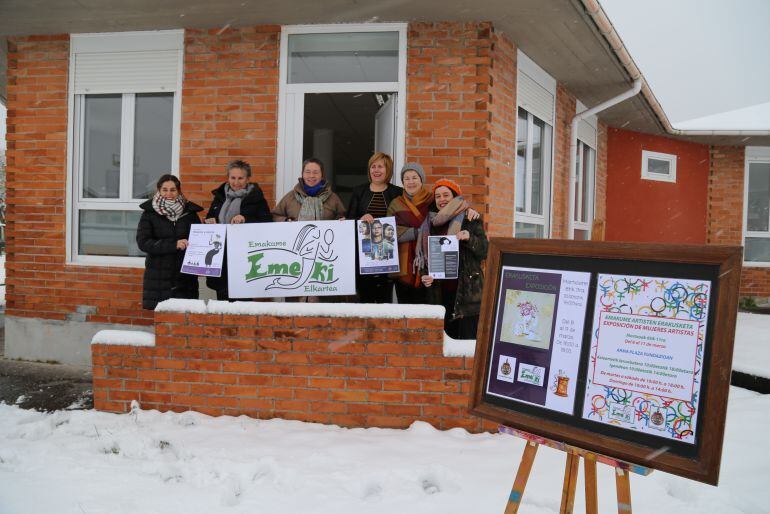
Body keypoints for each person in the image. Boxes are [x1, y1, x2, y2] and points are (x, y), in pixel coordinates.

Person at [420, 179, 488, 339]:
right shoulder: (430, 223)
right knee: (445, 345)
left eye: (446, 195)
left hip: (467, 294)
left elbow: (485, 251)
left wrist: (469, 237)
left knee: (467, 344)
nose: (441, 199)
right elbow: (426, 256)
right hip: (441, 293)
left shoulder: (470, 218)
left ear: (455, 196)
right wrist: (425, 276)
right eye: (437, 196)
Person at [204, 160, 272, 300]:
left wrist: (245, 219)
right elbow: (210, 217)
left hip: (245, 259)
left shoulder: (256, 198)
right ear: (228, 178)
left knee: (242, 307)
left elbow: (267, 223)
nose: (236, 182)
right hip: (221, 258)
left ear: (248, 179)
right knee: (222, 305)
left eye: (240, 178)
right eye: (232, 178)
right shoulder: (220, 196)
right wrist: (210, 221)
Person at [137, 174, 203, 310]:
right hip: (159, 277)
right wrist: (173, 245)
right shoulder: (149, 214)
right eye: (165, 189)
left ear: (178, 191)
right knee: (163, 320)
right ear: (159, 190)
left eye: (173, 190)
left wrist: (208, 228)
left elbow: (199, 240)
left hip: (185, 277)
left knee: (185, 317)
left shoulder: (190, 213)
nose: (169, 193)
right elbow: (143, 242)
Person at [347, 152, 403, 303]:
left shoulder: (398, 193)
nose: (376, 170)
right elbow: (348, 220)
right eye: (373, 166)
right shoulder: (359, 191)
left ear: (388, 170)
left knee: (385, 300)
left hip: (388, 255)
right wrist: (361, 219)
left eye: (380, 167)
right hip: (364, 256)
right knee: (366, 299)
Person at [272, 157, 346, 222]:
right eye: (308, 172)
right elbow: (275, 216)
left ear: (322, 175)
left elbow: (343, 217)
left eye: (315, 172)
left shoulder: (333, 198)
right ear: (302, 174)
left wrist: (341, 220)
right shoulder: (290, 197)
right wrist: (285, 220)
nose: (311, 176)